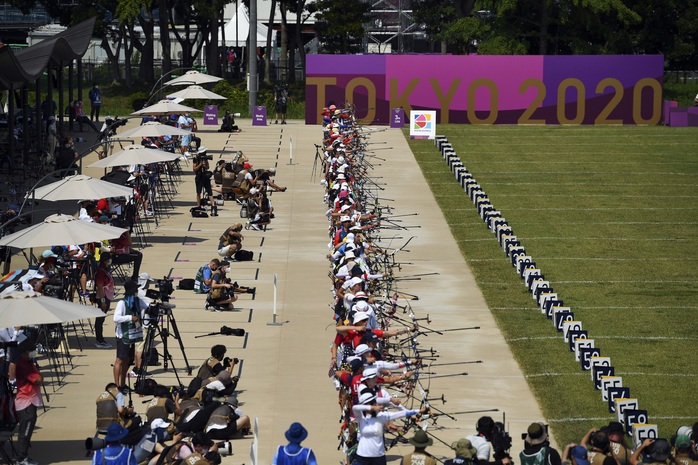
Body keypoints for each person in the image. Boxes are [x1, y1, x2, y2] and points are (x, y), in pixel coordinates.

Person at [352, 390, 422, 465]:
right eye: (371, 403)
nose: (375, 404)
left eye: (374, 402)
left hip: (378, 456)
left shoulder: (381, 415)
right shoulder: (361, 417)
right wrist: (372, 407)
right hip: (363, 455)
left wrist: (419, 411)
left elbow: (401, 413)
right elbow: (355, 407)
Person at [113, 279, 146, 388]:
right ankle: (117, 386)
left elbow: (147, 305)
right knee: (120, 360)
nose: (137, 291)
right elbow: (116, 318)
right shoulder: (122, 303)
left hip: (132, 336)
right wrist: (130, 318)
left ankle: (123, 384)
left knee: (127, 360)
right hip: (123, 335)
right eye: (135, 289)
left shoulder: (137, 301)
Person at [14, 346, 43, 465]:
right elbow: (38, 380)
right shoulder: (23, 364)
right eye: (30, 350)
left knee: (27, 431)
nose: (33, 352)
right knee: (25, 432)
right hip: (26, 401)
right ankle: (21, 458)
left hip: (31, 400)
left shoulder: (28, 362)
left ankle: (24, 456)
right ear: (24, 352)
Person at [94, 252, 114, 349]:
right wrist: (102, 301)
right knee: (100, 319)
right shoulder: (101, 271)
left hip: (106, 296)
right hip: (103, 297)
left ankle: (100, 338)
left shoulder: (104, 269)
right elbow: (100, 287)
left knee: (101, 318)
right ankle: (99, 340)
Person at [193, 152, 216, 216]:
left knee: (209, 191)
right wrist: (200, 164)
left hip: (205, 176)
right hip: (199, 177)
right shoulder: (196, 159)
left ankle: (213, 205)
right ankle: (198, 205)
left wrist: (205, 164)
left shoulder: (205, 159)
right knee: (198, 192)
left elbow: (208, 167)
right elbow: (194, 169)